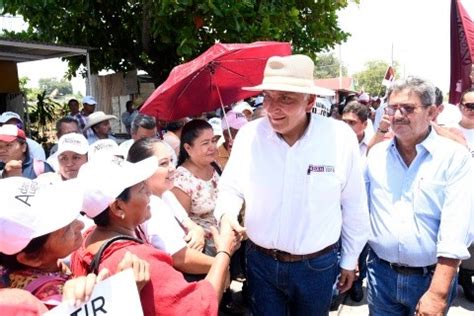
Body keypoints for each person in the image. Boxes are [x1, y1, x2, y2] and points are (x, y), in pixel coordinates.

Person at [215, 54, 369, 315]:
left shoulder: (339, 138)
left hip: (316, 267)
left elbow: (353, 204)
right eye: (269, 97)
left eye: (286, 98)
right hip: (260, 263)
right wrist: (227, 213)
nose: (273, 108)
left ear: (309, 101)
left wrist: (350, 259)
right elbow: (230, 187)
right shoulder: (250, 136)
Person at [71, 155, 240, 315]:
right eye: (142, 189)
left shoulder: (87, 241)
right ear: (118, 208)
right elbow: (201, 307)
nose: (150, 194)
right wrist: (224, 253)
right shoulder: (137, 259)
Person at [365, 77, 472, 315]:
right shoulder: (376, 156)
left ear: (432, 112)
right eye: (392, 108)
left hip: (430, 279)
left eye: (408, 108)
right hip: (380, 276)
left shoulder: (454, 157)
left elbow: (456, 228)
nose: (398, 115)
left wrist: (438, 292)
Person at [0, 177, 150, 310]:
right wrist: (125, 293)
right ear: (31, 258)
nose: (80, 225)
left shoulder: (11, 270)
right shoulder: (54, 303)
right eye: (66, 229)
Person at [127, 137, 214, 275]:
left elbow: (189, 223)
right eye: (163, 163)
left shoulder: (165, 194)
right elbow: (180, 258)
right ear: (143, 170)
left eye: (171, 161)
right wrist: (221, 263)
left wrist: (198, 231)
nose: (172, 168)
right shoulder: (151, 205)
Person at [171, 119, 220, 256]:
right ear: (188, 148)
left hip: (228, 247)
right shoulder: (181, 180)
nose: (212, 147)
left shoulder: (215, 166)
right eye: (205, 143)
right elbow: (182, 225)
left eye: (213, 140)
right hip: (206, 253)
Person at [453, 88, 474, 302]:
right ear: (460, 107)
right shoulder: (449, 132)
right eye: (469, 106)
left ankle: (466, 276)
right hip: (457, 196)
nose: (472, 110)